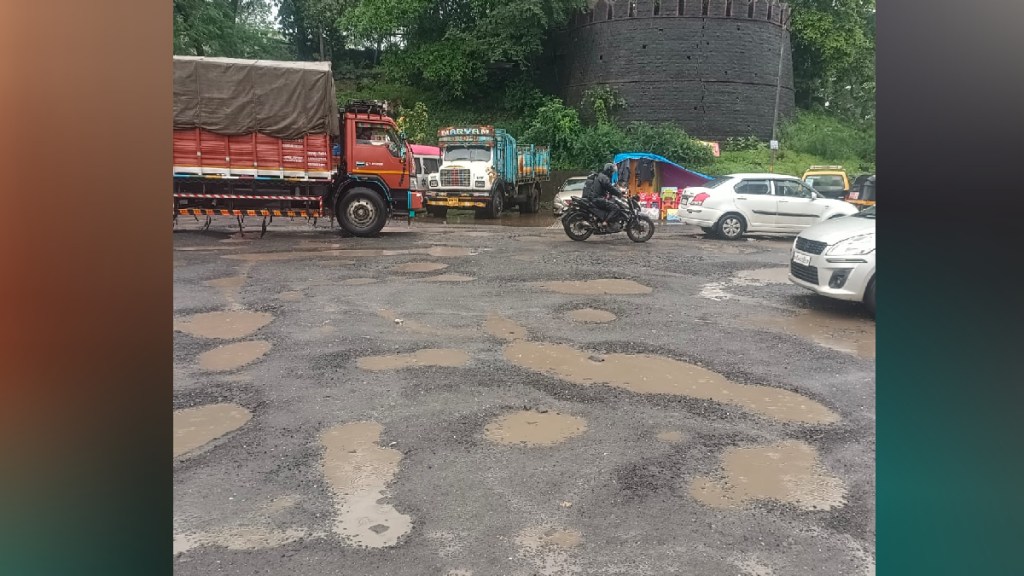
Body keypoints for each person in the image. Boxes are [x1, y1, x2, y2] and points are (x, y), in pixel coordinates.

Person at [582, 162, 624, 229]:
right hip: (597, 199)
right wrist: (619, 193)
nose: (612, 173)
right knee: (615, 207)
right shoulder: (604, 178)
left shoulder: (600, 176)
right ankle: (605, 222)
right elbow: (610, 188)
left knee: (610, 203)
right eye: (612, 172)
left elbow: (608, 187)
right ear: (609, 171)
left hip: (594, 198)